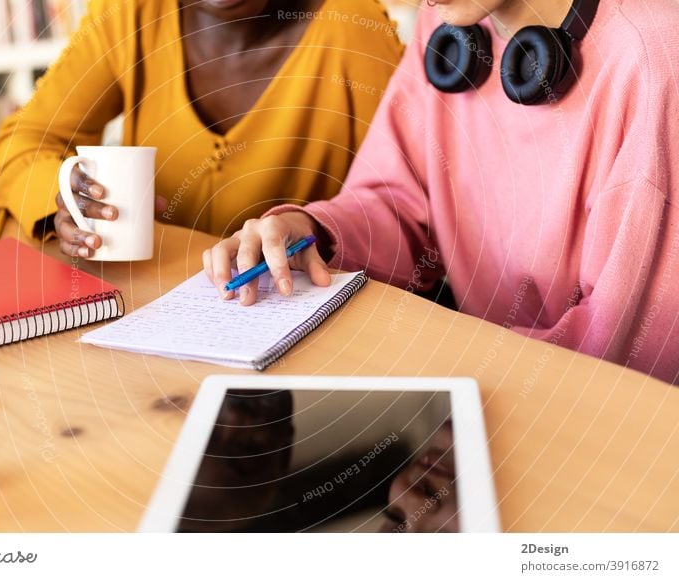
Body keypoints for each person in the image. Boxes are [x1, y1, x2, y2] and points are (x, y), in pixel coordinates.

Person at [204, 0, 679, 384]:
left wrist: (441, 372)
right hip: (489, 382)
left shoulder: (656, 56)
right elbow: (397, 201)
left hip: (594, 420)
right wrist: (311, 232)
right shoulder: (450, 25)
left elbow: (629, 348)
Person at [0, 0, 403, 257]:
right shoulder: (131, 12)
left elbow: (413, 205)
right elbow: (24, 142)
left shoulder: (355, 30)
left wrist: (317, 233)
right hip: (148, 309)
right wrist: (61, 196)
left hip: (294, 311)